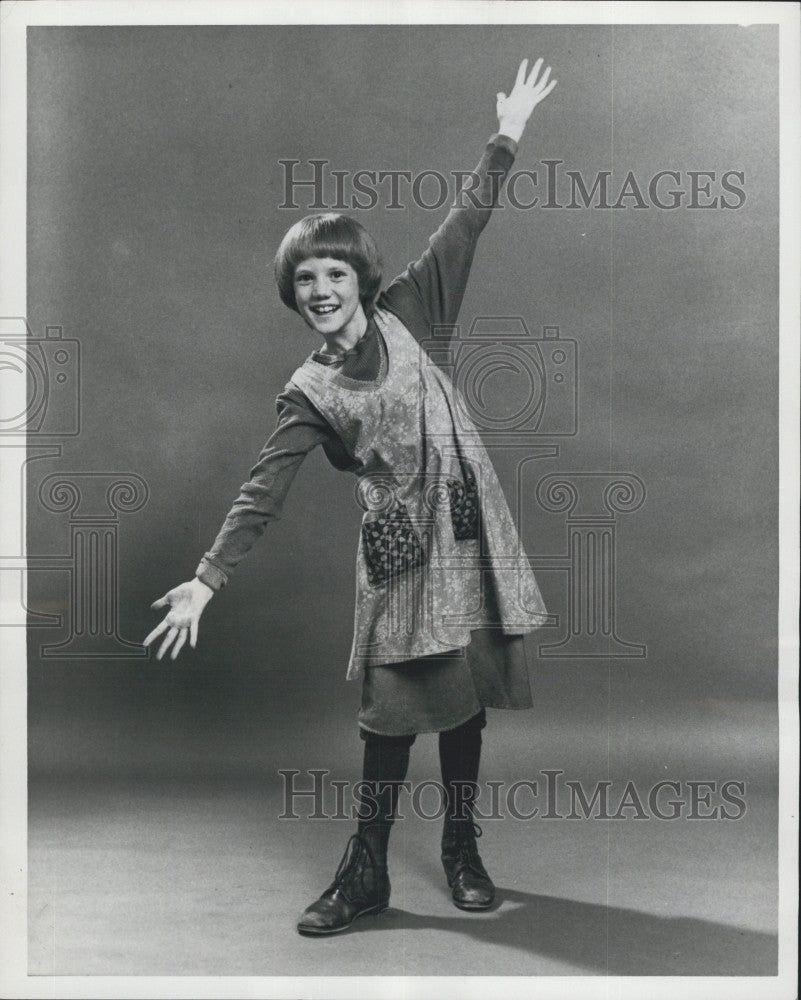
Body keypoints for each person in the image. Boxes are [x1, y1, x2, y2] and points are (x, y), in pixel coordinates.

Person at [145, 56, 556, 936]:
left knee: (467, 693)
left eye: (334, 274)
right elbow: (265, 489)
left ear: (360, 280)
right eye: (305, 280)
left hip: (470, 534)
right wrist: (206, 579)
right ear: (293, 296)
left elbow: (466, 222)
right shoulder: (308, 392)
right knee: (394, 707)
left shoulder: (414, 308)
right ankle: (364, 872)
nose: (321, 291)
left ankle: (460, 849)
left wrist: (507, 134)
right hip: (403, 555)